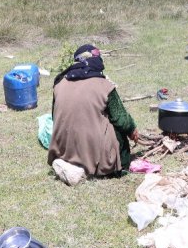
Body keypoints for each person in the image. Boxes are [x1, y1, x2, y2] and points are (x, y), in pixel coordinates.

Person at [48, 44, 139, 186]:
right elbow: (122, 120)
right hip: (95, 155)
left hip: (63, 151)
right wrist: (132, 129)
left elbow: (55, 117)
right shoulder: (104, 85)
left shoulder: (59, 83)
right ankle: (119, 167)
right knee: (118, 131)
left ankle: (71, 161)